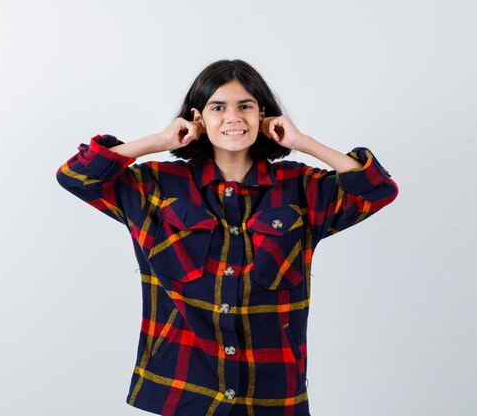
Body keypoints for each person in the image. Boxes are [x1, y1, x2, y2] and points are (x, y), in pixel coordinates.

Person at [56, 59, 398, 416]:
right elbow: (76, 176)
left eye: (245, 106)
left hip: (271, 389)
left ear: (263, 116)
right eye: (218, 107)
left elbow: (378, 191)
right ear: (198, 118)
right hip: (183, 387)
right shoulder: (156, 186)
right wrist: (158, 141)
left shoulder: (300, 187)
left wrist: (303, 142)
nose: (233, 117)